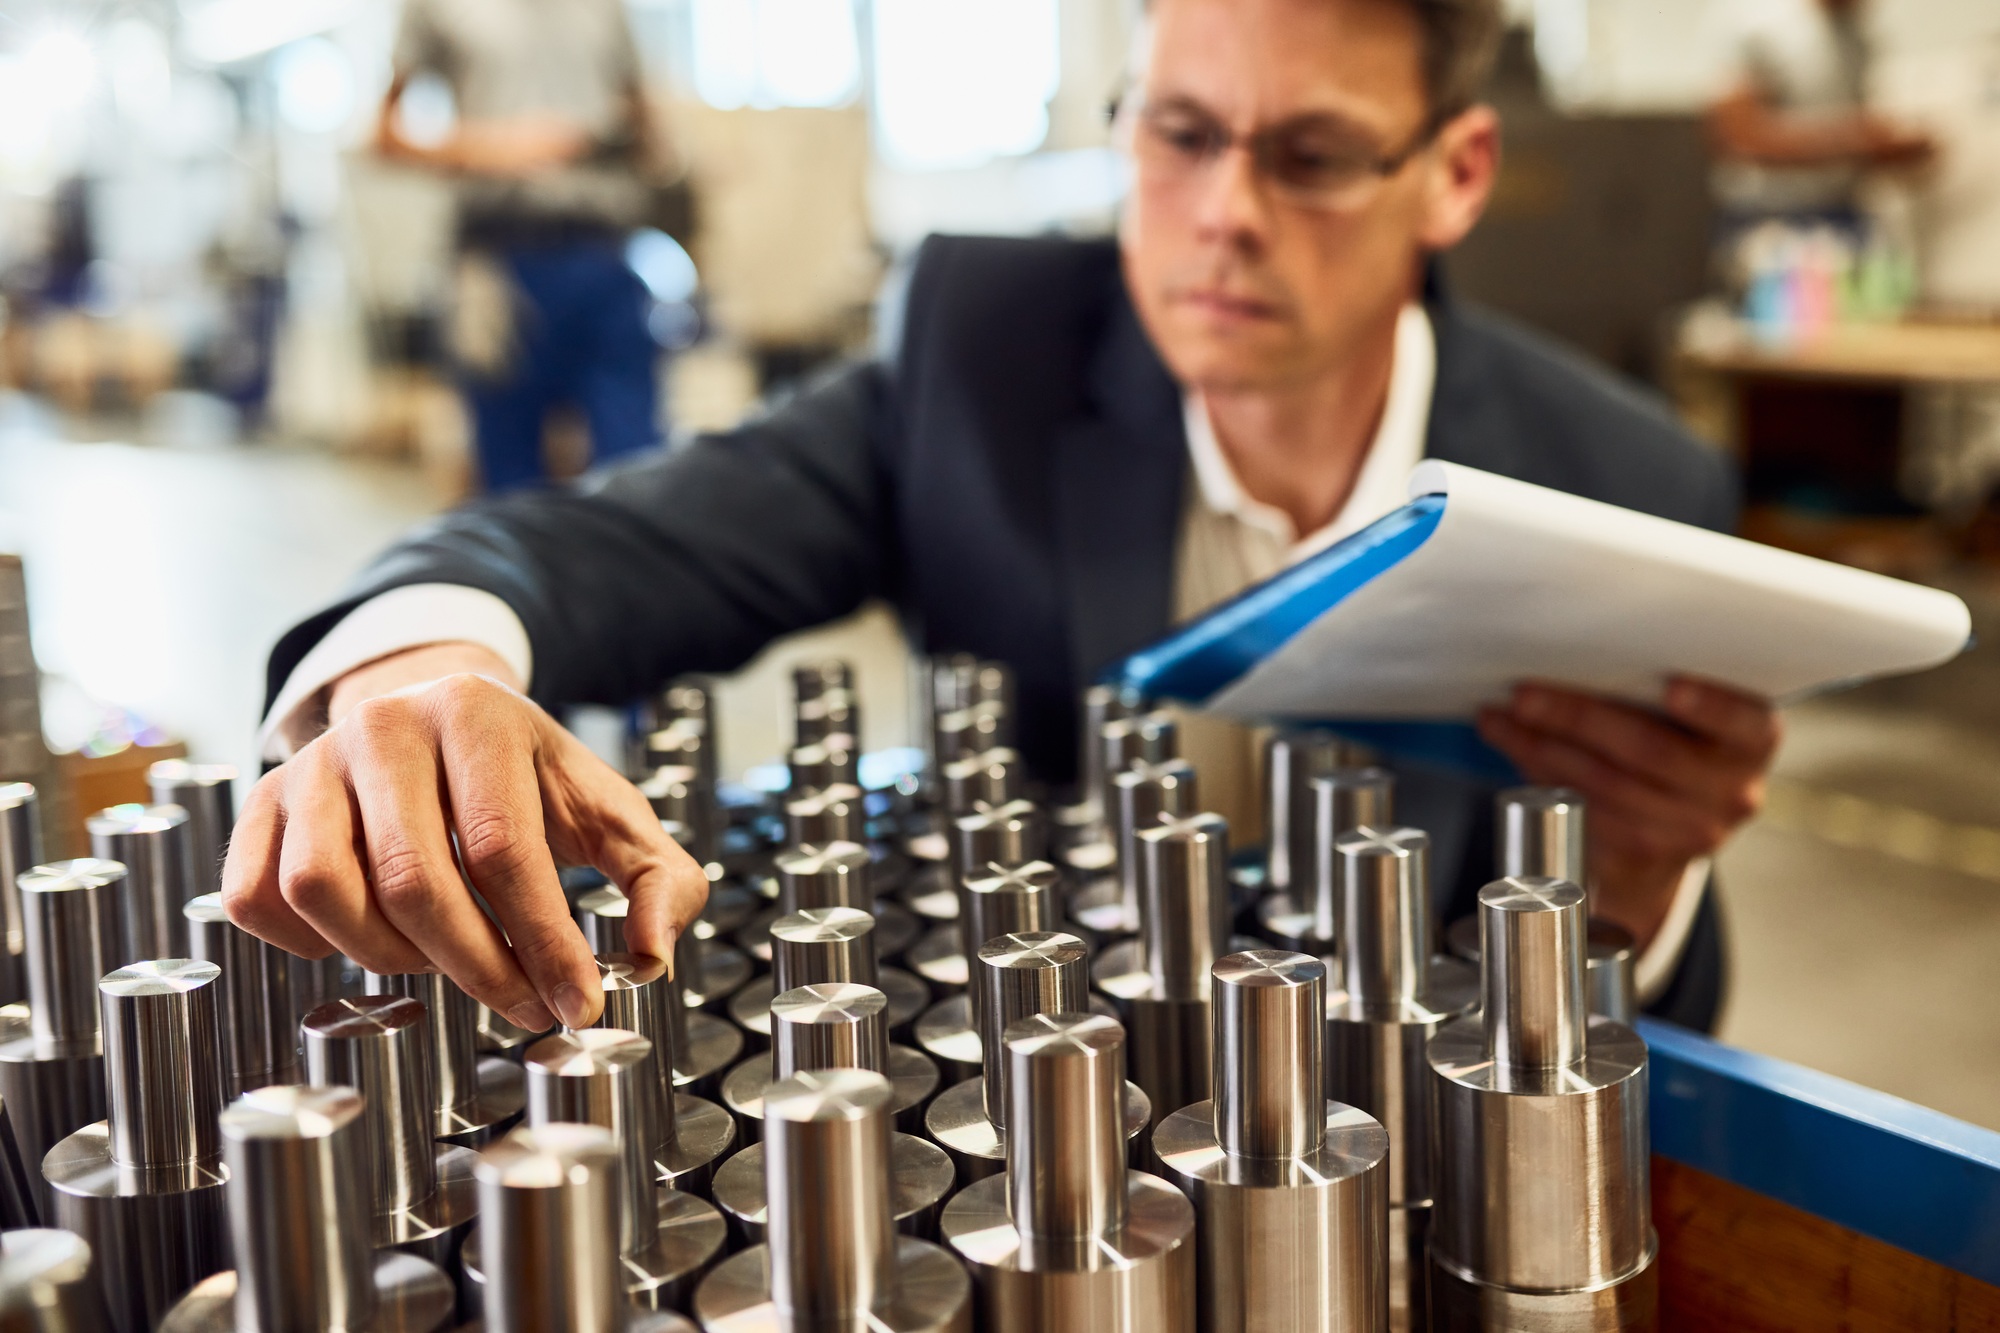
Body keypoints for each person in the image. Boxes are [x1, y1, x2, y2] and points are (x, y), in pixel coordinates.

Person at [228, 0, 1779, 1037]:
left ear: (1456, 172)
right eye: (1178, 133)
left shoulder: (1628, 486)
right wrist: (418, 667)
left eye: (1310, 156)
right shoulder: (986, 353)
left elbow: (1664, 1038)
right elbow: (618, 542)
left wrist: (1632, 888)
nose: (1224, 213)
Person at [375, 0, 670, 491]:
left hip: (603, 256)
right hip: (500, 263)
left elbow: (643, 119)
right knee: (511, 483)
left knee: (636, 471)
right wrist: (496, 148)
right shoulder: (437, 9)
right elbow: (384, 135)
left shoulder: (606, 8)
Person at [1705, 0, 1933, 227]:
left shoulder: (1858, 35)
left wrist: (1893, 150)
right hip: (1767, 217)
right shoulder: (1753, 21)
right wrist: (1860, 140)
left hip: (1845, 211)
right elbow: (1739, 137)